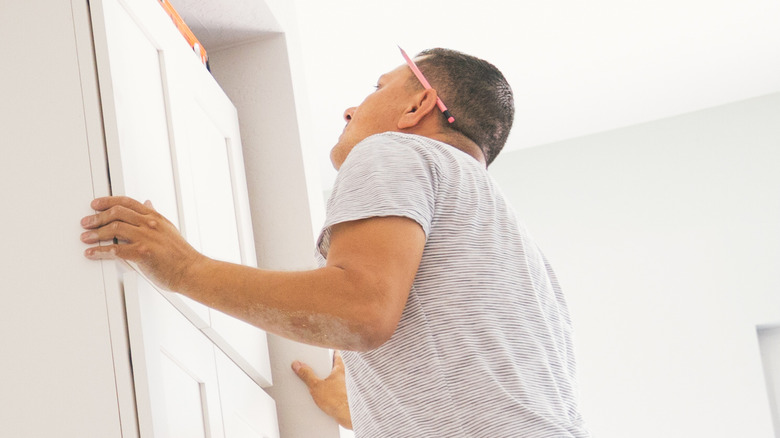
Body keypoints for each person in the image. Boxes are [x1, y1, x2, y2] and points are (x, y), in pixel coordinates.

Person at [81, 48, 589, 437]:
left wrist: (185, 269)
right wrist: (363, 407)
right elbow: (481, 380)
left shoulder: (396, 150)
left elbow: (361, 310)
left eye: (377, 87)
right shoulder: (522, 257)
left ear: (417, 106)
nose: (351, 108)